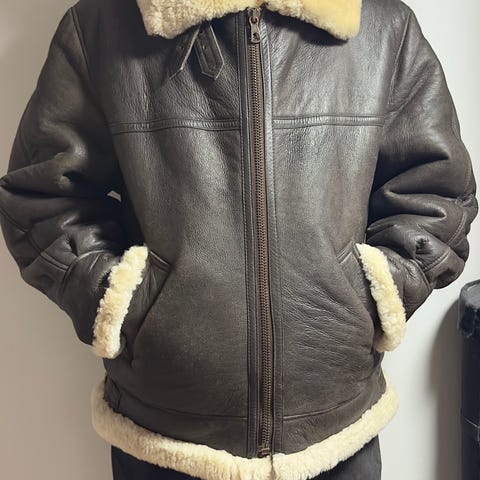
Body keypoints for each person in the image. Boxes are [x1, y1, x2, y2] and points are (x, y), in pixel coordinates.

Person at [0, 0, 478, 479]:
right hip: (164, 436)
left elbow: (438, 193)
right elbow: (42, 199)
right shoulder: (104, 26)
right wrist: (124, 303)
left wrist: (372, 294)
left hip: (336, 437)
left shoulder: (381, 27)